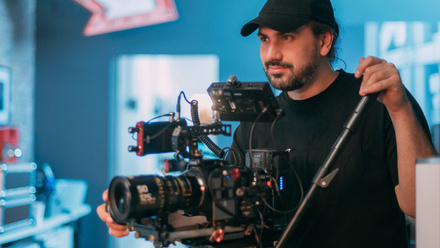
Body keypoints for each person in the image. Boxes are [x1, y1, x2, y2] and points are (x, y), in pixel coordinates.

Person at [97, 0, 438, 247]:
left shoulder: (377, 102)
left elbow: (428, 207)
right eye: (264, 39)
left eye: (286, 37)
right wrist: (141, 210)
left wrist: (400, 109)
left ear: (324, 41)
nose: (271, 52)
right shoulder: (255, 121)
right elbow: (223, 212)